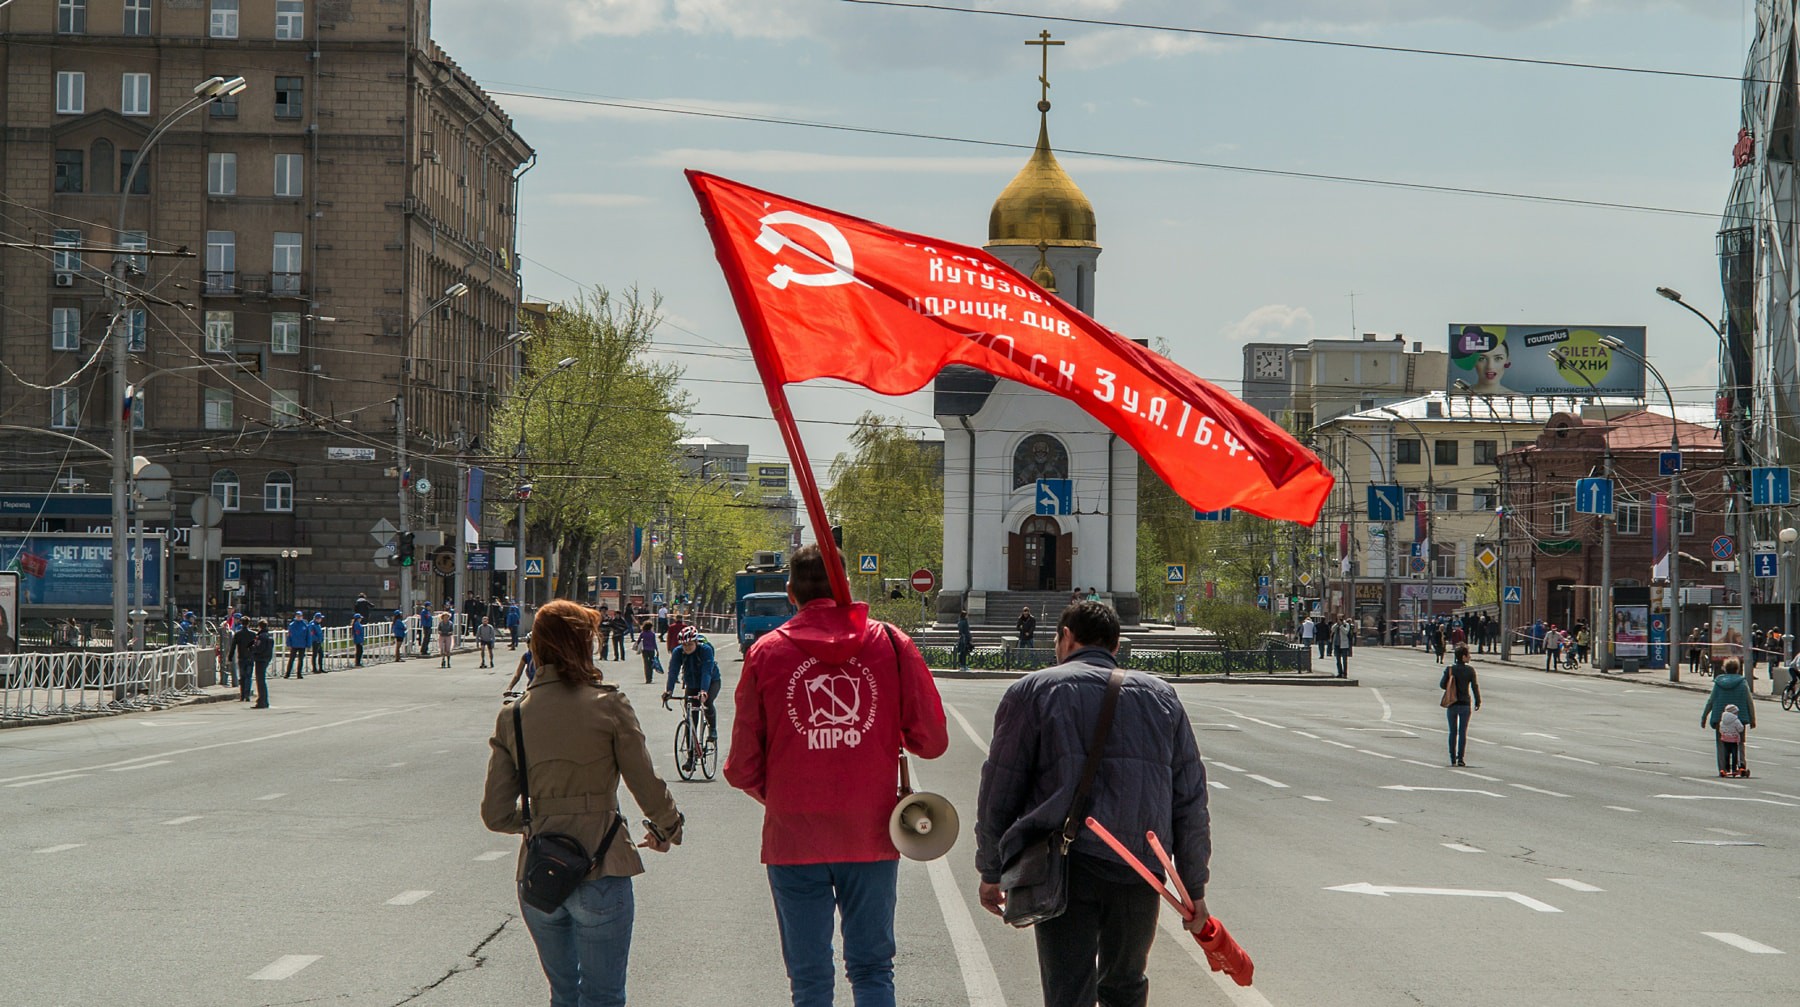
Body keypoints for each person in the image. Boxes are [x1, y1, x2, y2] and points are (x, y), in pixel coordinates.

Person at [724, 543, 949, 1007]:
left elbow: (741, 767)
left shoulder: (766, 653)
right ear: (846, 587)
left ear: (790, 593)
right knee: (871, 970)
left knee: (809, 982)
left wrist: (785, 796)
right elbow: (932, 741)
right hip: (871, 834)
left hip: (793, 837)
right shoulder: (889, 642)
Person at [975, 600, 1209, 1007]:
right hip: (1141, 870)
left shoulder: (1034, 690)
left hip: (1066, 865)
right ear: (1116, 645)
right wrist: (1194, 888)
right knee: (1125, 986)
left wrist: (992, 868)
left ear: (1066, 636)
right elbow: (1189, 797)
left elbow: (1000, 788)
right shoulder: (1163, 697)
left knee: (1069, 991)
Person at [481, 599, 685, 1007]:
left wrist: (541, 816)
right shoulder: (607, 705)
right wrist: (667, 829)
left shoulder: (514, 716)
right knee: (604, 996)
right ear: (583, 645)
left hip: (540, 875)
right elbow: (645, 783)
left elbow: (496, 813)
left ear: (537, 646)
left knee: (563, 995)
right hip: (602, 866)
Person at [663, 626, 721, 742]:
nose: (687, 648)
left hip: (710, 682)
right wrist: (669, 690)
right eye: (684, 645)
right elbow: (673, 672)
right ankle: (691, 755)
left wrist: (704, 691)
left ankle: (713, 729)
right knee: (691, 721)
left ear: (696, 642)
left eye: (690, 644)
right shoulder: (678, 652)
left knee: (708, 702)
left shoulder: (705, 650)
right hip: (692, 683)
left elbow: (706, 672)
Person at [1702, 657, 1756, 778]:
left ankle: (1723, 768)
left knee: (1721, 744)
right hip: (1740, 718)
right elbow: (1749, 702)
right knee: (1740, 742)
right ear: (1737, 669)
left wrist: (1704, 716)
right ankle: (1741, 764)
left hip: (1720, 720)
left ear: (1725, 669)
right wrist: (1752, 719)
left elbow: (1711, 701)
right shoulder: (1742, 683)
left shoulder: (1718, 683)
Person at [1440, 645, 1481, 767]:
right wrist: (1478, 700)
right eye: (1468, 655)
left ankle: (1452, 758)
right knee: (1463, 732)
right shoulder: (1470, 670)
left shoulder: (1450, 669)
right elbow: (1474, 686)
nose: (1470, 657)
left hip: (1452, 703)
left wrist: (1451, 683)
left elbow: (1442, 685)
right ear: (1463, 657)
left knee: (1452, 732)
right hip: (1465, 704)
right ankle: (1461, 758)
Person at [230, 618, 257, 702]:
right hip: (250, 657)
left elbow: (233, 646)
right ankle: (247, 695)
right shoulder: (253, 634)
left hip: (241, 657)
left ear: (241, 623)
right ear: (249, 623)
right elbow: (254, 646)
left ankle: (242, 695)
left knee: (242, 676)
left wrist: (230, 657)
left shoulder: (238, 634)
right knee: (249, 676)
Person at [251, 619, 274, 708]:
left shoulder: (261, 636)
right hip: (267, 658)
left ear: (259, 626)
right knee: (262, 680)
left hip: (260, 659)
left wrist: (253, 649)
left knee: (260, 681)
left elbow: (258, 648)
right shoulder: (269, 636)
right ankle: (263, 700)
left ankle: (262, 701)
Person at [1718, 704, 1745, 777]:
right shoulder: (1736, 720)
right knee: (1735, 754)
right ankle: (1734, 768)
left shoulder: (1722, 720)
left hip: (1725, 739)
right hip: (1734, 740)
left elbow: (1721, 729)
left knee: (1726, 754)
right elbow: (1740, 728)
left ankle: (1726, 768)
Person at [284, 610, 309, 679]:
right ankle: (287, 673)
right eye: (297, 616)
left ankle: (299, 673)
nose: (299, 617)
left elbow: (308, 635)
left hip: (302, 644)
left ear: (302, 617)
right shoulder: (292, 625)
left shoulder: (305, 625)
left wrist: (308, 644)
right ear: (295, 617)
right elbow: (289, 635)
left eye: (300, 616)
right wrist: (288, 644)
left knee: (301, 660)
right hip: (294, 645)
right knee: (291, 659)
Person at [636, 619, 659, 685]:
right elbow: (654, 643)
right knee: (651, 664)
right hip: (652, 650)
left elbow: (638, 641)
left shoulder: (643, 633)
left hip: (645, 650)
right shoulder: (652, 634)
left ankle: (647, 678)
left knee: (646, 664)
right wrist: (657, 650)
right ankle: (650, 677)